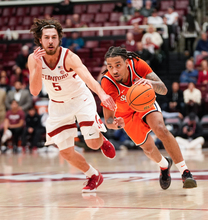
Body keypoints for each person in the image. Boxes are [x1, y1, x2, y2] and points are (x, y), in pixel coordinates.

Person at [28, 18, 116, 193]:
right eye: (47, 37)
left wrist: (102, 94)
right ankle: (93, 175)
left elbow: (88, 78)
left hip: (80, 99)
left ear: (59, 39)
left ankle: (101, 140)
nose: (50, 41)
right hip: (58, 105)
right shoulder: (34, 58)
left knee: (91, 144)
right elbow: (35, 91)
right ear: (40, 39)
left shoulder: (69, 57)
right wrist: (38, 68)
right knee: (66, 152)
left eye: (54, 37)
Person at [101, 46, 197, 189]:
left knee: (161, 129)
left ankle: (185, 172)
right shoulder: (107, 83)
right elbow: (108, 120)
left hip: (144, 104)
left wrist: (150, 84)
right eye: (110, 66)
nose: (114, 70)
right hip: (125, 115)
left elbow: (163, 89)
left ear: (127, 62)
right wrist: (117, 124)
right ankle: (164, 165)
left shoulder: (138, 64)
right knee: (149, 148)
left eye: (118, 65)